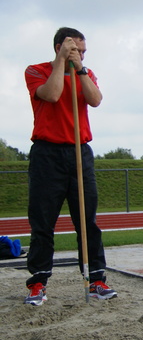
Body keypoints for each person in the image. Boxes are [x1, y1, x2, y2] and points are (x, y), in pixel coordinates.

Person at [23, 27, 117, 305]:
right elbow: (51, 95)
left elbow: (96, 100)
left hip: (79, 152)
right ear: (59, 47)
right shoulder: (36, 70)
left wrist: (79, 68)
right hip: (46, 155)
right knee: (42, 222)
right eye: (76, 49)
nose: (81, 55)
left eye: (84, 51)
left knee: (87, 221)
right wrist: (61, 63)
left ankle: (96, 280)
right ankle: (38, 283)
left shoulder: (85, 74)